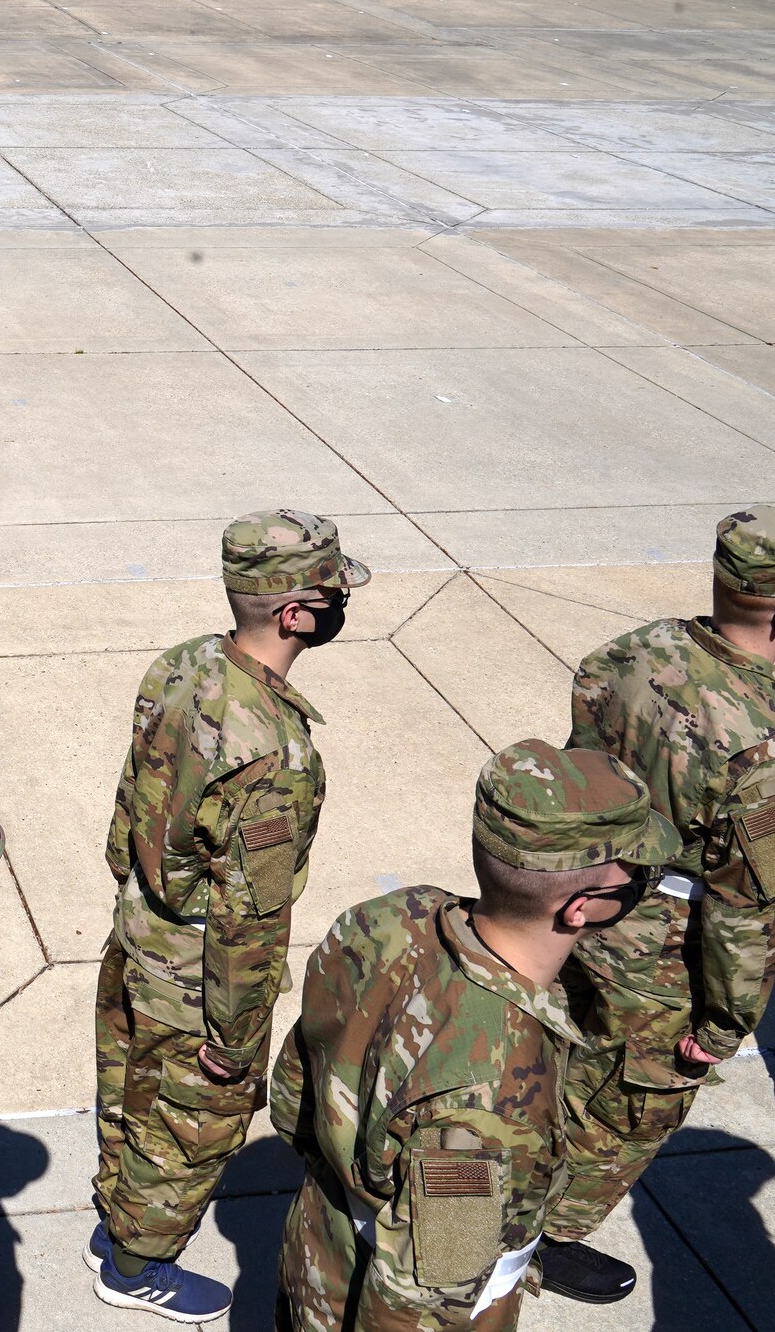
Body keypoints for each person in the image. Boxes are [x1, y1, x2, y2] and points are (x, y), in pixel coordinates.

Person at [270, 740, 678, 1330]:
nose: (644, 881)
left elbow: (295, 1093)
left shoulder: (388, 916)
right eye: (637, 872)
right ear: (580, 909)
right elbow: (426, 1298)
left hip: (315, 1241)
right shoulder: (498, 1094)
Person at [90, 511, 367, 1321]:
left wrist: (138, 893)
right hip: (201, 973)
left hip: (139, 928)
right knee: (190, 1126)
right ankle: (135, 1263)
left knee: (128, 1091)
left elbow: (128, 808)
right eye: (332, 591)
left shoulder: (181, 665)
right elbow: (253, 916)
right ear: (293, 613)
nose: (340, 603)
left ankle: (115, 1220)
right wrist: (235, 1040)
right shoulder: (276, 750)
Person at [537, 502, 775, 1303]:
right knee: (629, 1109)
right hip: (666, 944)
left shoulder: (636, 649)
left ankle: (483, 1208)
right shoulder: (758, 738)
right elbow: (746, 909)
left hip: (585, 893)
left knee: (554, 1061)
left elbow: (579, 762)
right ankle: (540, 1237)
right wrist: (723, 1024)